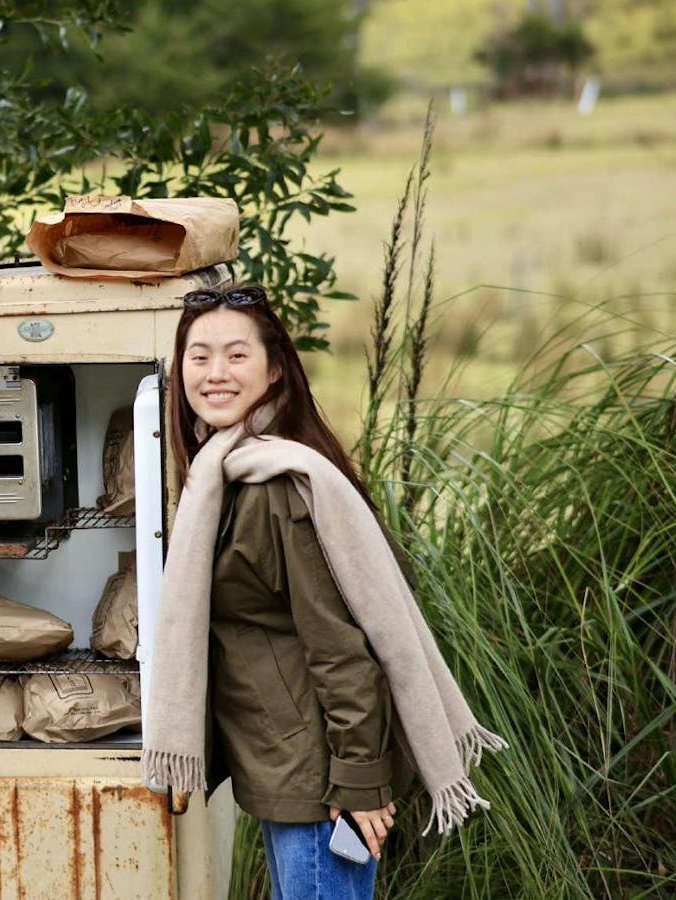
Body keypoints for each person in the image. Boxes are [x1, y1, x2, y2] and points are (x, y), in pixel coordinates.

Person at [142, 286, 505, 899]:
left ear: (275, 367)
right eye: (198, 357)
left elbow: (342, 650)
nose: (215, 374)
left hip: (321, 786)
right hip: (287, 770)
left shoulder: (277, 491)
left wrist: (360, 781)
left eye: (236, 356)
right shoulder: (223, 472)